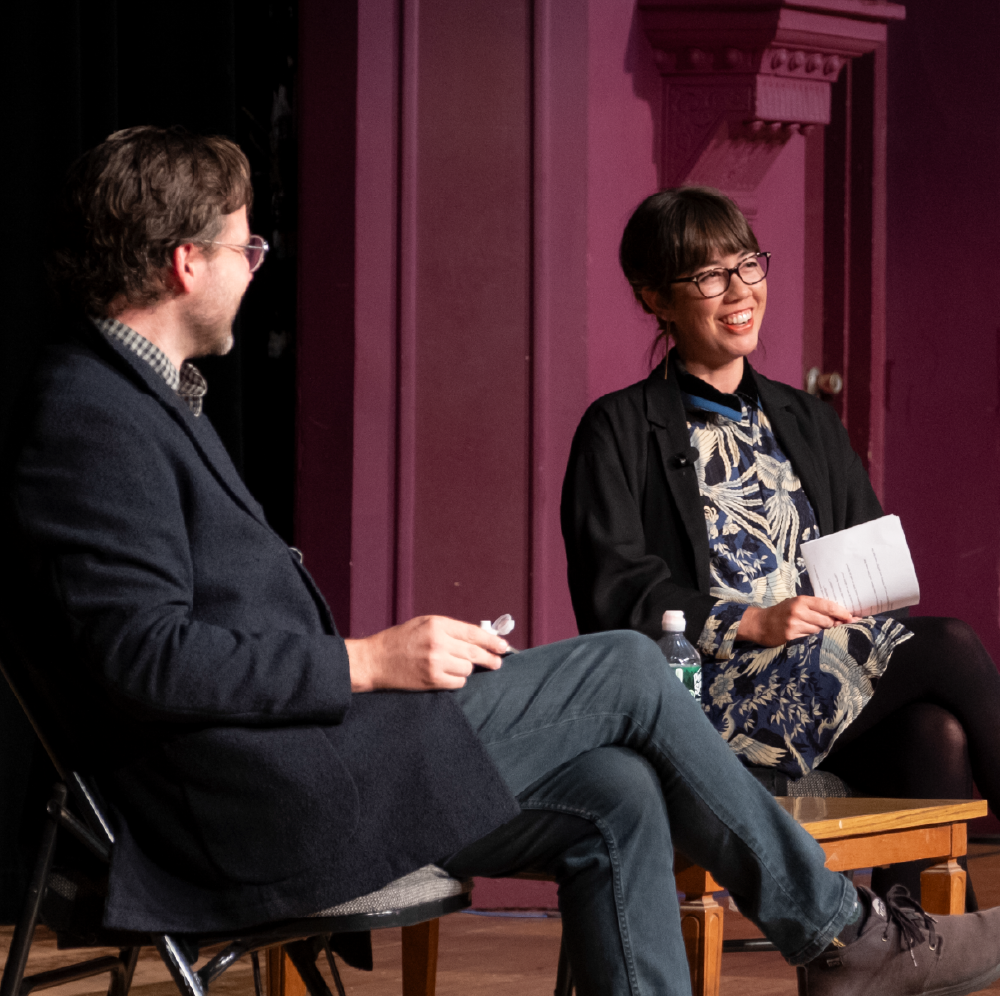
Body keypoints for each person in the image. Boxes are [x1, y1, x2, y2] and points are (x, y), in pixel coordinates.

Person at [3, 129, 1000, 996]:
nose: (255, 264)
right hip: (261, 810)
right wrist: (369, 661)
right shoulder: (91, 420)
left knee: (613, 789)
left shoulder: (139, 400)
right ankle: (841, 934)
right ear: (185, 263)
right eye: (244, 244)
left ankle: (843, 938)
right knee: (623, 662)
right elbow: (146, 659)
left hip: (312, 762)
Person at [561, 185, 1000, 907]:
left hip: (829, 679)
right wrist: (751, 621)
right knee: (948, 643)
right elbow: (616, 593)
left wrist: (855, 605)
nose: (739, 291)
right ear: (655, 300)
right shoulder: (617, 430)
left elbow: (867, 557)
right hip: (713, 696)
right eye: (708, 276)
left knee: (936, 733)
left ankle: (908, 957)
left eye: (747, 265)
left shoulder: (804, 418)